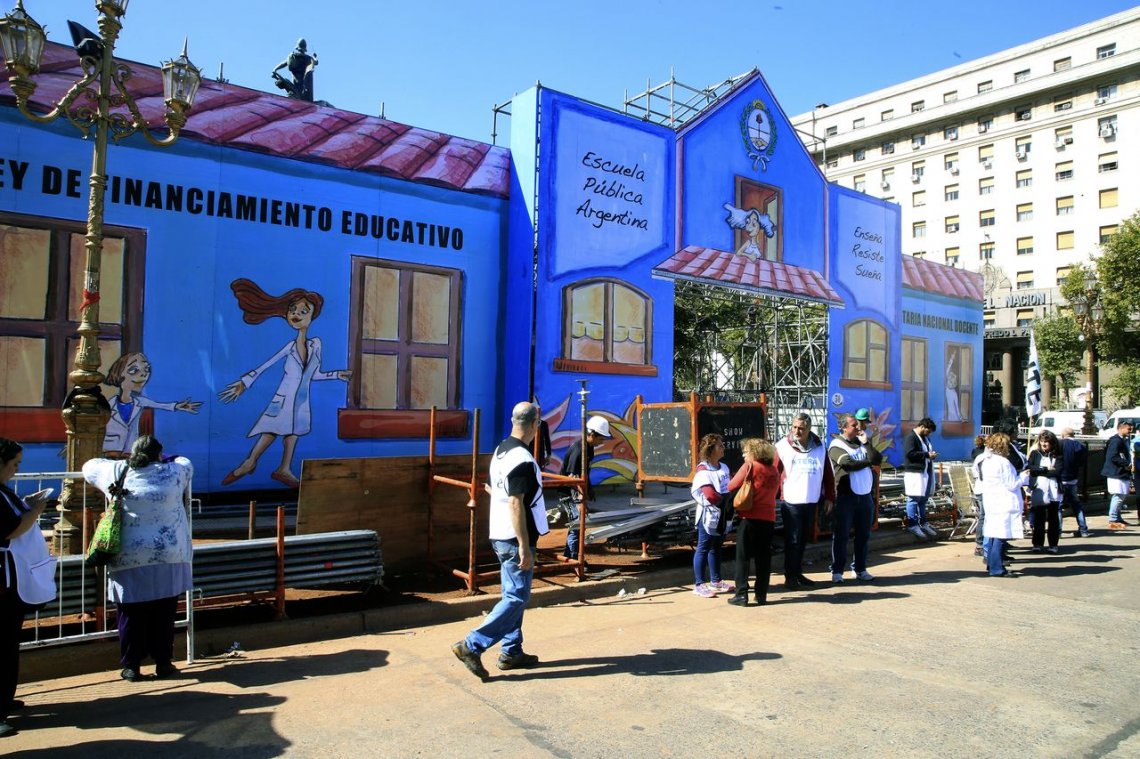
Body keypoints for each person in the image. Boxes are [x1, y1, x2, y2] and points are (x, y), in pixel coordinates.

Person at [218, 279, 351, 489]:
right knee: (270, 431)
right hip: (284, 398)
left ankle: (284, 469)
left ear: (312, 316)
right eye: (293, 310)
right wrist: (245, 382)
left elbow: (313, 375)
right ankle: (249, 462)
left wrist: (336, 374)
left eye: (303, 311)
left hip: (301, 401)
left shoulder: (316, 345)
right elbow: (266, 365)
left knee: (293, 433)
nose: (296, 314)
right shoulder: (289, 346)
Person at [452, 402, 549, 680]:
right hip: (514, 537)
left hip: (500, 533)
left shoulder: (501, 451)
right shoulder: (522, 460)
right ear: (535, 424)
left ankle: (511, 652)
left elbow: (494, 490)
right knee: (518, 597)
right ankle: (471, 645)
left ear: (512, 419)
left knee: (512, 596)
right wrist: (523, 544)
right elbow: (517, 503)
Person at [83, 436, 193, 682]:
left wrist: (121, 461)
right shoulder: (175, 472)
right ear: (158, 455)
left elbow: (89, 466)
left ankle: (132, 666)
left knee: (131, 614)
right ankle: (163, 663)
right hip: (169, 554)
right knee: (164, 615)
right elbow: (184, 460)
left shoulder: (116, 471)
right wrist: (165, 458)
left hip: (129, 555)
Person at [0, 439, 56, 738]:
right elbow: (10, 530)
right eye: (14, 465)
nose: (16, 471)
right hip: (4, 582)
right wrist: (34, 511)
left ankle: (5, 699)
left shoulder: (3, 491)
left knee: (8, 644)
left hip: (9, 580)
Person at [775, 413, 835, 590]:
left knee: (803, 539)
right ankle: (790, 576)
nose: (796, 431)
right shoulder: (782, 446)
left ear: (809, 429)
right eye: (794, 427)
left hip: (811, 500)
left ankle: (797, 572)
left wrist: (830, 497)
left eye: (801, 428)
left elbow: (828, 474)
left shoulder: (820, 447)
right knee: (793, 539)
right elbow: (773, 473)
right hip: (791, 501)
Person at [102, 352, 201, 455]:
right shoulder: (109, 404)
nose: (144, 374)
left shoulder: (140, 402)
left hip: (130, 450)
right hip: (111, 448)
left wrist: (176, 406)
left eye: (147, 369)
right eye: (134, 370)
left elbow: (159, 405)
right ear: (119, 374)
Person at [725, 438, 781, 606]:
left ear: (754, 453)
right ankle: (761, 594)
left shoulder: (750, 467)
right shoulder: (774, 470)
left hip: (749, 517)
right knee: (763, 558)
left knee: (743, 557)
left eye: (746, 451)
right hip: (768, 518)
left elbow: (731, 486)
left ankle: (741, 594)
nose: (744, 455)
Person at [828, 413, 882, 583]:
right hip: (846, 497)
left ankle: (859, 569)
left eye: (858, 425)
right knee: (842, 535)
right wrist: (868, 461)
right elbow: (848, 464)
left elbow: (877, 459)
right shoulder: (836, 445)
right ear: (844, 427)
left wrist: (867, 443)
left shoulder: (861, 442)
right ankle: (837, 572)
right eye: (853, 425)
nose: (858, 428)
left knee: (863, 535)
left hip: (865, 496)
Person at [558, 415, 612, 562]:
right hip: (569, 493)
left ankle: (570, 555)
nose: (601, 442)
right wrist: (580, 500)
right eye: (600, 439)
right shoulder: (579, 450)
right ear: (592, 434)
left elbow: (584, 473)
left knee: (577, 525)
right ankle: (574, 558)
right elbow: (573, 478)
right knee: (577, 524)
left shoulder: (589, 448)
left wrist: (589, 489)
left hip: (577, 491)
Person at [975, 433, 1027, 577]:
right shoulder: (1003, 462)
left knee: (992, 534)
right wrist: (1023, 477)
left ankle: (992, 565)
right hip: (1004, 502)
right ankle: (997, 568)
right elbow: (1011, 484)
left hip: (991, 501)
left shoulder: (986, 461)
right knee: (1000, 535)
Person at [690, 433, 734, 598]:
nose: (723, 448)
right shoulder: (703, 470)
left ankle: (716, 580)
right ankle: (699, 584)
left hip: (722, 514)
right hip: (708, 515)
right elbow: (709, 494)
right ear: (711, 449)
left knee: (716, 548)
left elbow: (729, 485)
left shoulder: (723, 467)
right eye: (720, 445)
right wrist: (725, 501)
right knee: (703, 547)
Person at [902, 417, 939, 541]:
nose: (928, 434)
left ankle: (923, 523)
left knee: (923, 499)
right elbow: (910, 454)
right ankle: (912, 524)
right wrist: (927, 455)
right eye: (928, 431)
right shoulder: (911, 438)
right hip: (914, 472)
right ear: (922, 427)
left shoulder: (925, 438)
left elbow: (925, 453)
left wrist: (930, 455)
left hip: (925, 471)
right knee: (913, 498)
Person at [1026, 431, 1062, 552]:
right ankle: (1037, 544)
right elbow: (1030, 468)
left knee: (1053, 518)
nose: (1044, 444)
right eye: (1042, 441)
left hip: (1054, 489)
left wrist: (1041, 471)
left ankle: (1053, 544)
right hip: (1039, 489)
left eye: (1046, 441)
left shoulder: (1058, 455)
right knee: (1039, 518)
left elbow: (1057, 472)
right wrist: (1045, 469)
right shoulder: (1035, 453)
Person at [1057, 428, 1090, 538]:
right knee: (1076, 505)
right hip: (1073, 478)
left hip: (1060, 478)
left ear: (1063, 435)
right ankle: (1083, 529)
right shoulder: (1080, 446)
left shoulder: (1059, 444)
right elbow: (1082, 462)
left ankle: (1058, 530)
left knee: (1059, 506)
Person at [1101, 420, 1133, 529]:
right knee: (1118, 496)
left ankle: (1117, 517)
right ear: (1121, 428)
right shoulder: (1116, 441)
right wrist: (1127, 463)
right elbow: (1113, 456)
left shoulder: (1123, 440)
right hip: (1116, 472)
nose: (1130, 431)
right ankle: (1113, 518)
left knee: (1121, 495)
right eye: (1129, 429)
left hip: (1120, 472)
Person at [970, 434, 987, 556]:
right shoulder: (981, 456)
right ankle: (980, 544)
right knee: (984, 515)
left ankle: (983, 543)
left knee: (984, 516)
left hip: (981, 488)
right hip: (982, 489)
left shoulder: (978, 453)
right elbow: (978, 474)